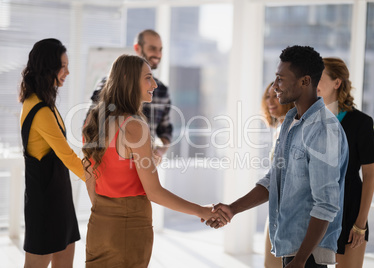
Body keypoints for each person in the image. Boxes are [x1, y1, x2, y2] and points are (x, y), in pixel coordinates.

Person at [207, 45, 349, 268]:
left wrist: (300, 260)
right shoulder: (291, 123)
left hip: (308, 255)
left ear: (304, 81)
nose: (275, 87)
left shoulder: (323, 128)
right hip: (292, 248)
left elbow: (326, 204)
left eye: (280, 79)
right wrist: (232, 209)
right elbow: (274, 180)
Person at [82, 54, 229, 267]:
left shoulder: (93, 120)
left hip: (99, 224)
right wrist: (202, 211)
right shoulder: (134, 125)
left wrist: (106, 210)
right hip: (129, 227)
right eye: (148, 78)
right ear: (127, 79)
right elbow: (154, 192)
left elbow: (90, 178)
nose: (154, 84)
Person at [19, 38, 85, 268]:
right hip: (45, 202)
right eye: (63, 66)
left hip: (59, 196)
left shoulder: (44, 102)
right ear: (48, 67)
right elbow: (67, 155)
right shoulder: (39, 109)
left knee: (66, 259)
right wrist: (98, 179)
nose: (67, 71)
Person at [317, 57, 374, 268]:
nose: (314, 81)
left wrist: (360, 223)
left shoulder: (362, 123)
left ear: (337, 82)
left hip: (350, 209)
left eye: (320, 77)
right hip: (315, 209)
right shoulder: (310, 120)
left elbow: (369, 176)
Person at [88, 29, 172, 162]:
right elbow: (90, 127)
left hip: (146, 164)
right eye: (152, 48)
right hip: (113, 165)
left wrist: (160, 152)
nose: (158, 54)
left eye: (160, 49)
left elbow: (166, 131)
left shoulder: (161, 91)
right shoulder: (108, 85)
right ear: (137, 48)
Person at [261, 82, 294, 268]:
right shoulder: (279, 129)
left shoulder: (291, 129)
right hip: (276, 210)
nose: (270, 101)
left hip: (290, 213)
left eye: (276, 96)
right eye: (267, 96)